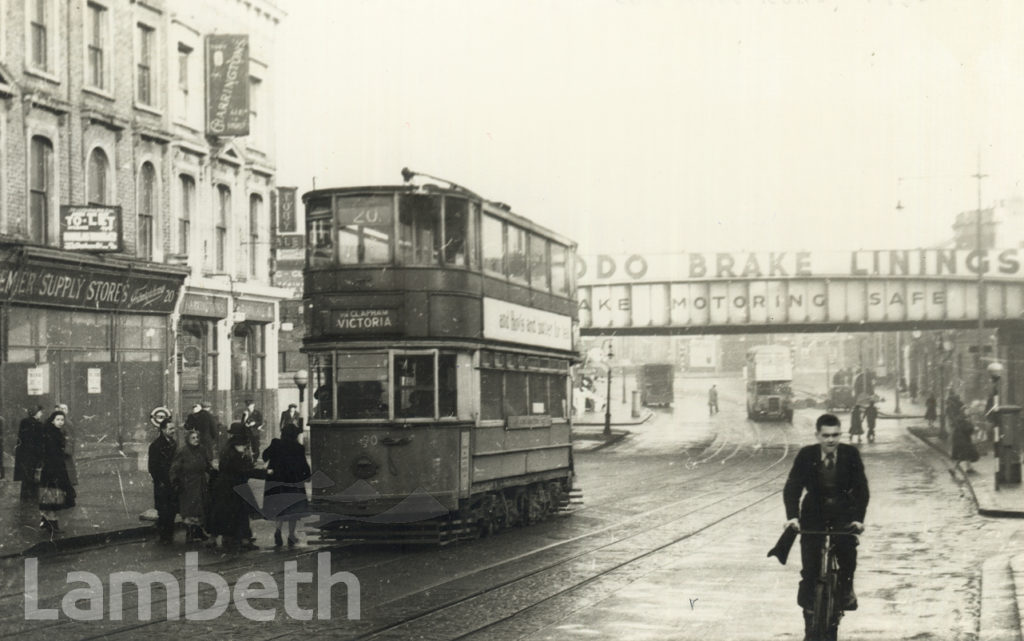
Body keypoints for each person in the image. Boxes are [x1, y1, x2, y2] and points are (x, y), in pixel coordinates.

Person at [783, 413, 869, 639]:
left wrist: (859, 519)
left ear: (840, 434)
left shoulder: (850, 454)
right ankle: (809, 618)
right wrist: (792, 517)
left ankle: (847, 589)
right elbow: (792, 487)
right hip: (814, 511)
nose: (831, 440)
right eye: (826, 436)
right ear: (818, 436)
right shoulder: (806, 455)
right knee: (809, 567)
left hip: (843, 509)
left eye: (836, 435)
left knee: (847, 549)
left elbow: (862, 488)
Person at [261, 423, 311, 547]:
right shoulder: (298, 447)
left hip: (277, 481)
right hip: (293, 482)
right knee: (293, 510)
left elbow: (264, 456)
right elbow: (303, 465)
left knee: (279, 508)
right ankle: (291, 535)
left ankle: (277, 531)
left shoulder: (276, 444)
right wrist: (307, 477)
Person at [208, 433, 257, 552]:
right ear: (236, 444)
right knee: (238, 513)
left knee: (229, 514)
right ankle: (239, 539)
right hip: (232, 488)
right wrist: (265, 473)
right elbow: (246, 471)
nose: (244, 446)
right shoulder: (234, 456)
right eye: (243, 444)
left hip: (229, 488)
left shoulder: (230, 452)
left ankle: (228, 538)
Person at [170, 429, 212, 543]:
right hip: (188, 485)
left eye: (197, 437)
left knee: (201, 508)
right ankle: (191, 533)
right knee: (190, 510)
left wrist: (212, 471)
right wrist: (175, 481)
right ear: (188, 439)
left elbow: (207, 464)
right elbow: (175, 468)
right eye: (193, 438)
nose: (196, 440)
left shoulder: (202, 450)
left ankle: (198, 531)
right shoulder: (183, 451)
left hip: (201, 483)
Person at [37, 410, 76, 532]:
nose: (60, 422)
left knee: (51, 496)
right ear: (53, 420)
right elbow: (51, 452)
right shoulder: (51, 433)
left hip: (54, 467)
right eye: (58, 419)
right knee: (53, 495)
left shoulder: (54, 432)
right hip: (53, 468)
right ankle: (52, 524)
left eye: (62, 420)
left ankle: (46, 521)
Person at [148, 418, 178, 545]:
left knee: (171, 509)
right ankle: (164, 535)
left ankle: (168, 535)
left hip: (171, 481)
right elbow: (152, 466)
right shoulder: (156, 446)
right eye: (170, 429)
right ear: (163, 430)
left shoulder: (173, 443)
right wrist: (159, 480)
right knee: (163, 509)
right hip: (162, 482)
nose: (173, 431)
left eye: (173, 428)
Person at [14, 406, 45, 502]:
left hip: (24, 453)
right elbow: (40, 441)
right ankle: (33, 497)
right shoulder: (39, 425)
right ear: (36, 413)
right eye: (40, 412)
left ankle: (24, 497)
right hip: (35, 453)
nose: (41, 414)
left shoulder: (24, 422)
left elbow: (21, 438)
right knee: (34, 475)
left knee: (25, 476)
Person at [950, 407, 980, 474]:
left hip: (960, 439)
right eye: (966, 411)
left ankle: (968, 468)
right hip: (962, 440)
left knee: (966, 454)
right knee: (965, 453)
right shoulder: (963, 419)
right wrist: (974, 428)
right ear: (963, 411)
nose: (968, 412)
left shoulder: (961, 418)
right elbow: (966, 429)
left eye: (968, 411)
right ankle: (954, 469)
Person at [54, 403, 77, 486]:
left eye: (64, 409)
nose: (62, 410)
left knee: (67, 463)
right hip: (61, 446)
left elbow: (70, 436)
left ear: (67, 411)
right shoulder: (60, 420)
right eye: (61, 409)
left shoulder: (67, 422)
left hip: (65, 447)